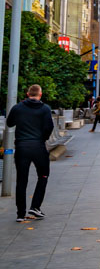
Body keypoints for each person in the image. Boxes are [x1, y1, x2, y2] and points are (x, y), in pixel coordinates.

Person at [5, 85, 53, 222]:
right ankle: (35, 206)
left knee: (22, 180)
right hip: (38, 146)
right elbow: (49, 127)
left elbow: (9, 123)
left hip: (21, 147)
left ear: (27, 94)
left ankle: (20, 214)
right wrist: (42, 139)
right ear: (40, 94)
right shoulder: (45, 109)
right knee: (43, 175)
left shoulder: (17, 108)